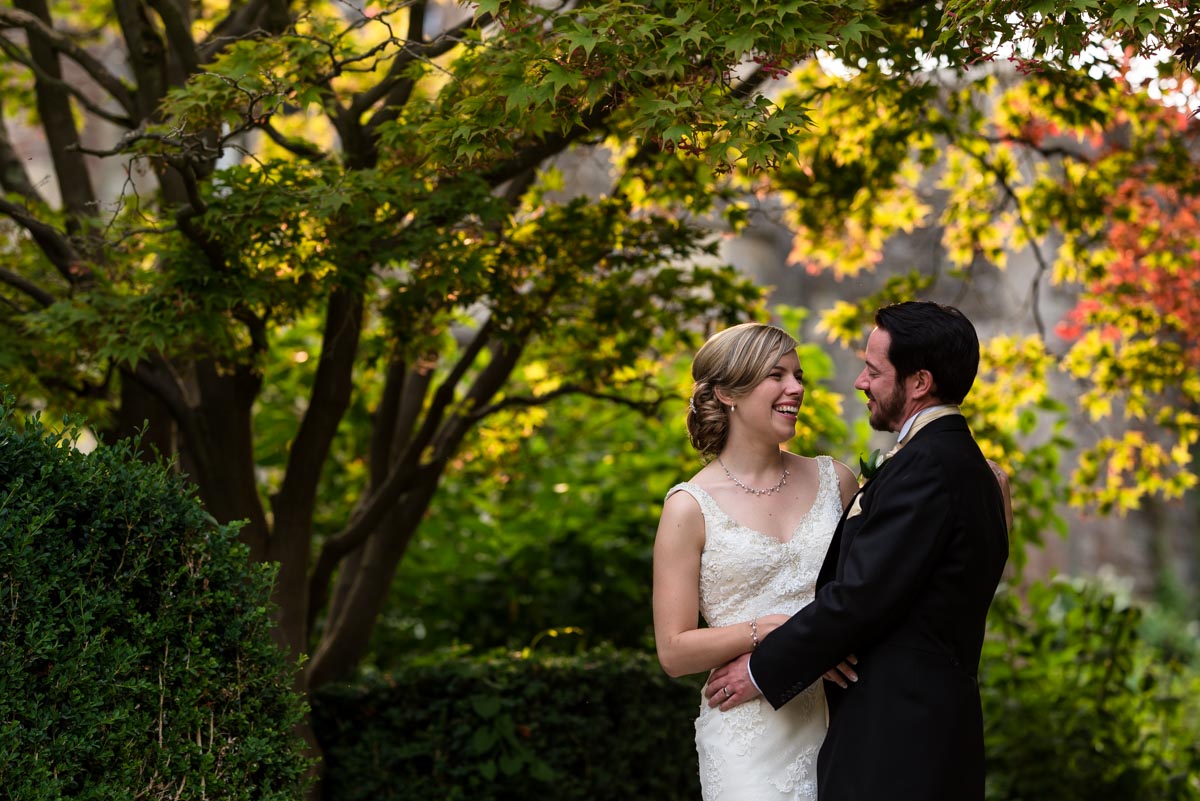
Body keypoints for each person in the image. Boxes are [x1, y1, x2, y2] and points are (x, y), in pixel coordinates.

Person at [706, 301, 1010, 801]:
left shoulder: (930, 468)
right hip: (921, 732)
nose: (860, 383)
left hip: (899, 745)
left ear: (918, 383)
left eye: (873, 370)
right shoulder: (953, 464)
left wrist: (762, 669)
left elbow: (861, 597)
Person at [652, 322, 860, 801]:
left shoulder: (838, 481)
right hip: (747, 738)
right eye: (777, 375)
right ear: (727, 392)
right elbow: (674, 650)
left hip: (845, 717)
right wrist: (766, 630)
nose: (797, 388)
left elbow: (867, 596)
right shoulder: (689, 507)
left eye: (799, 375)